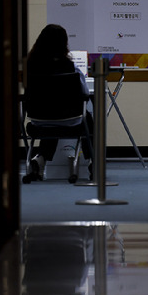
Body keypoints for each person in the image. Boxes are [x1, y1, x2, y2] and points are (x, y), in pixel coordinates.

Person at [26, 24, 93, 179]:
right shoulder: (71, 67)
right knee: (86, 119)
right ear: (64, 43)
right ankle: (92, 161)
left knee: (51, 118)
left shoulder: (30, 67)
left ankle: (40, 158)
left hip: (38, 121)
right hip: (70, 122)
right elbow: (84, 92)